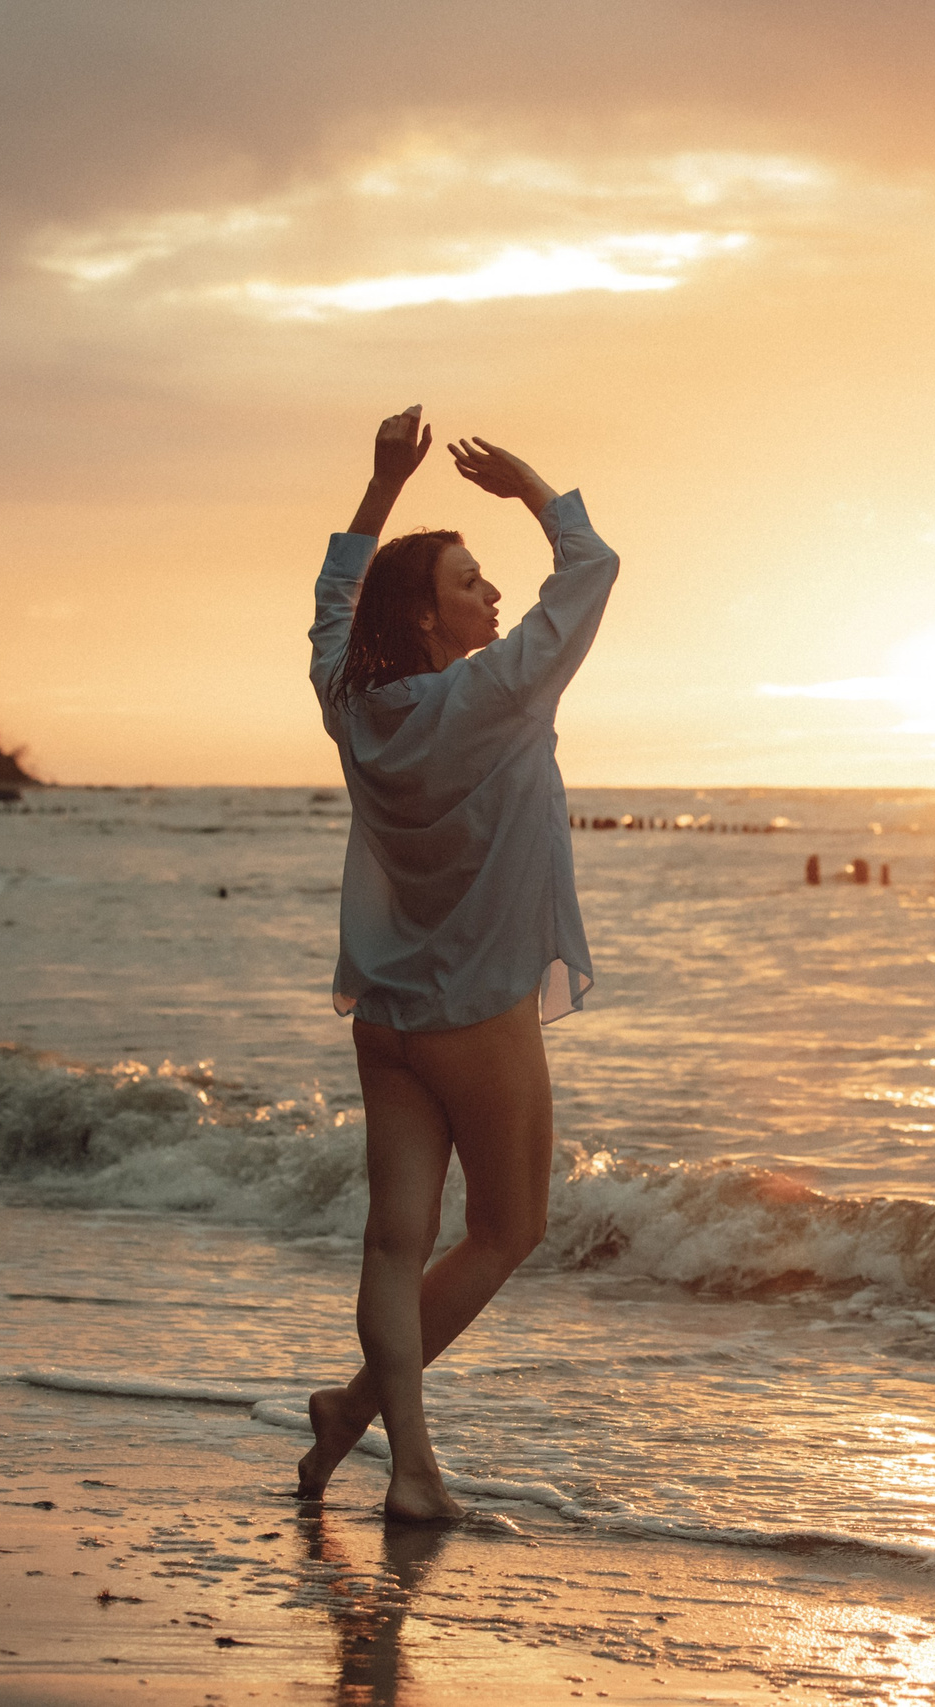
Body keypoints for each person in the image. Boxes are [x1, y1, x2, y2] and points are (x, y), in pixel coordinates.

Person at [292, 404, 619, 1523]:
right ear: (430, 618)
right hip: (473, 1017)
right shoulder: (499, 693)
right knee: (508, 1231)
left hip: (384, 1015)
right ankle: (368, 1430)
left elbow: (334, 610)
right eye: (471, 584)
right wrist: (534, 489)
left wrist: (382, 485)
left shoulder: (353, 706)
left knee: (395, 1243)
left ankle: (397, 1459)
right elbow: (590, 569)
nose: (493, 596)